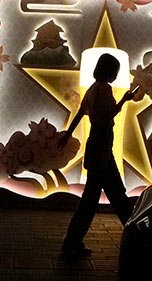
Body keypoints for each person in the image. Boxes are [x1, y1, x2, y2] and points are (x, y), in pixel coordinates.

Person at [55, 52, 144, 258]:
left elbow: (80, 113)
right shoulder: (104, 90)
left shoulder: (93, 89)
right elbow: (108, 116)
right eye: (115, 71)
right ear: (110, 71)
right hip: (103, 148)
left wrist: (67, 135)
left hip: (95, 148)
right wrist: (124, 100)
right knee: (116, 197)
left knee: (92, 200)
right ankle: (136, 239)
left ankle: (72, 242)